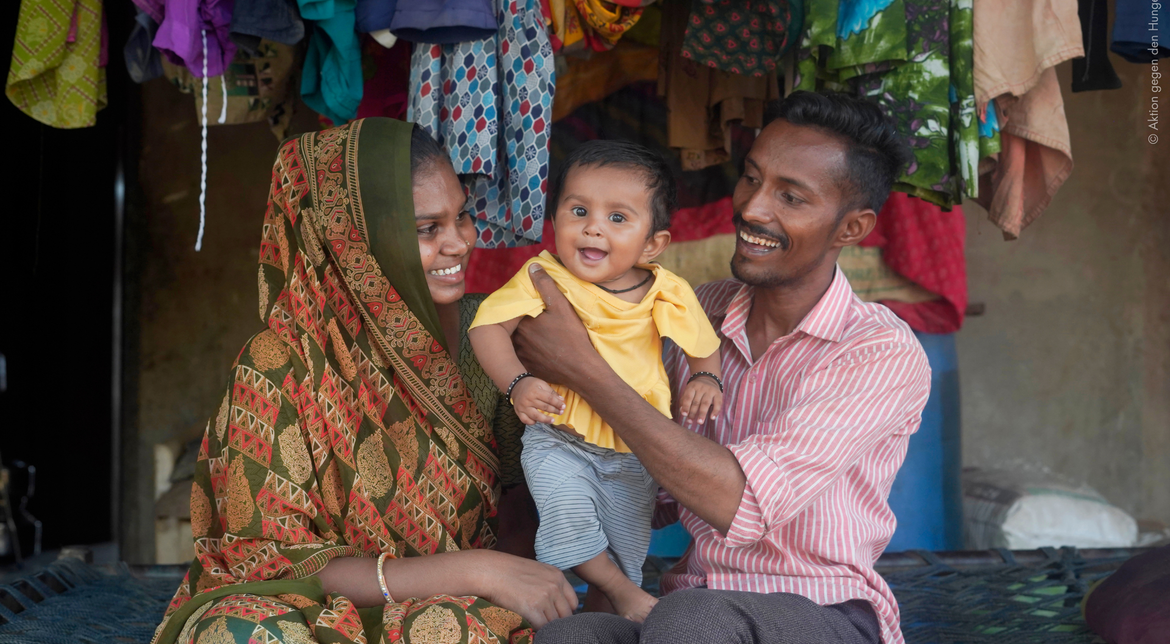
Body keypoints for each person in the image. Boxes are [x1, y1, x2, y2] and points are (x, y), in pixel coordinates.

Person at [513, 92, 932, 644]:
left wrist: (585, 369)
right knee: (573, 637)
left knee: (692, 619)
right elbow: (647, 483)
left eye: (790, 197)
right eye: (751, 178)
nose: (753, 208)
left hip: (826, 611)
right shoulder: (697, 312)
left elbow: (740, 503)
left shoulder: (876, 350)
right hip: (690, 606)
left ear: (850, 229)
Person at [149, 118, 579, 644]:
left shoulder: (489, 337)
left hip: (444, 613)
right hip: (302, 609)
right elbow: (267, 559)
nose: (460, 243)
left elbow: (525, 501)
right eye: (427, 229)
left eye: (462, 217)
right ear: (352, 239)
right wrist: (475, 569)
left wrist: (499, 579)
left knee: (457, 631)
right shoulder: (278, 363)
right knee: (242, 632)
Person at [468, 141, 723, 623]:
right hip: (559, 436)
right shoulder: (542, 275)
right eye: (579, 211)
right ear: (555, 220)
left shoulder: (666, 290)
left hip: (634, 449)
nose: (593, 227)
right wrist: (518, 383)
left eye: (618, 218)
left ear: (652, 244)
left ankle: (607, 616)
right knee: (567, 516)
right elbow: (487, 328)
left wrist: (706, 377)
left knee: (626, 547)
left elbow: (702, 345)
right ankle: (618, 591)